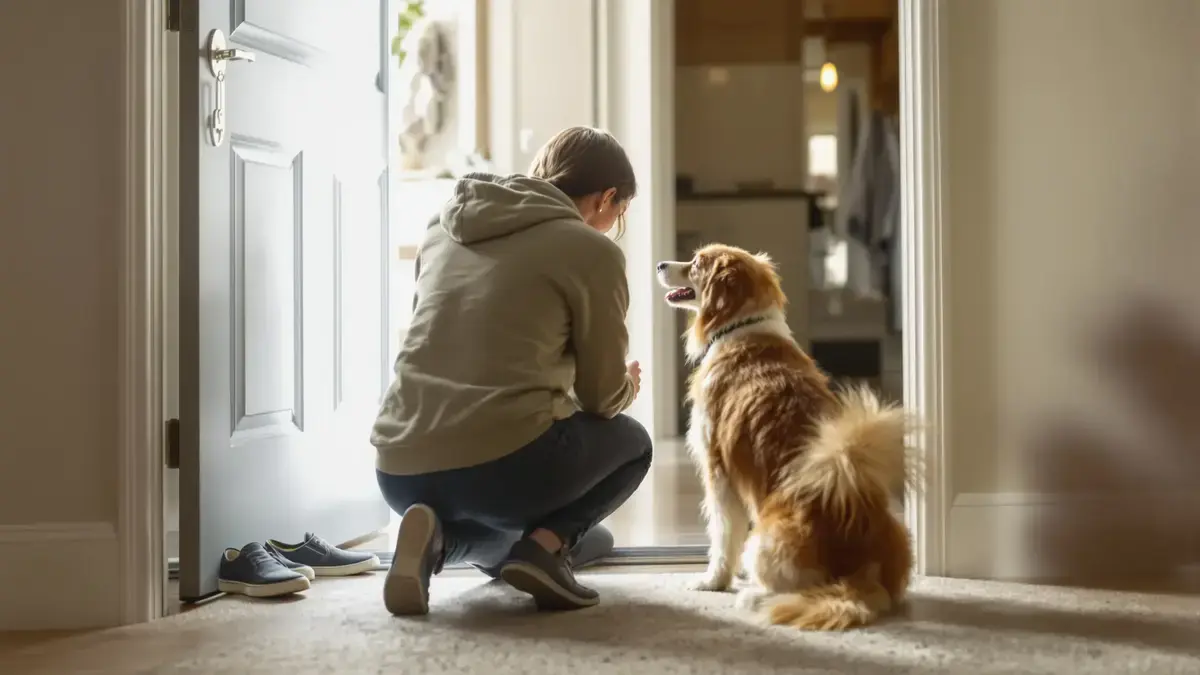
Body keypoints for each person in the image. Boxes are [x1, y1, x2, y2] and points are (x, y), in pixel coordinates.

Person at [371, 127, 653, 616]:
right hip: (503, 468)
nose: (614, 227)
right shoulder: (592, 251)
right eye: (619, 215)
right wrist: (628, 385)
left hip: (399, 468)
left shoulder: (442, 227)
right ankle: (546, 547)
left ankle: (434, 539)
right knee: (633, 444)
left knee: (560, 541)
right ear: (607, 199)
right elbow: (601, 397)